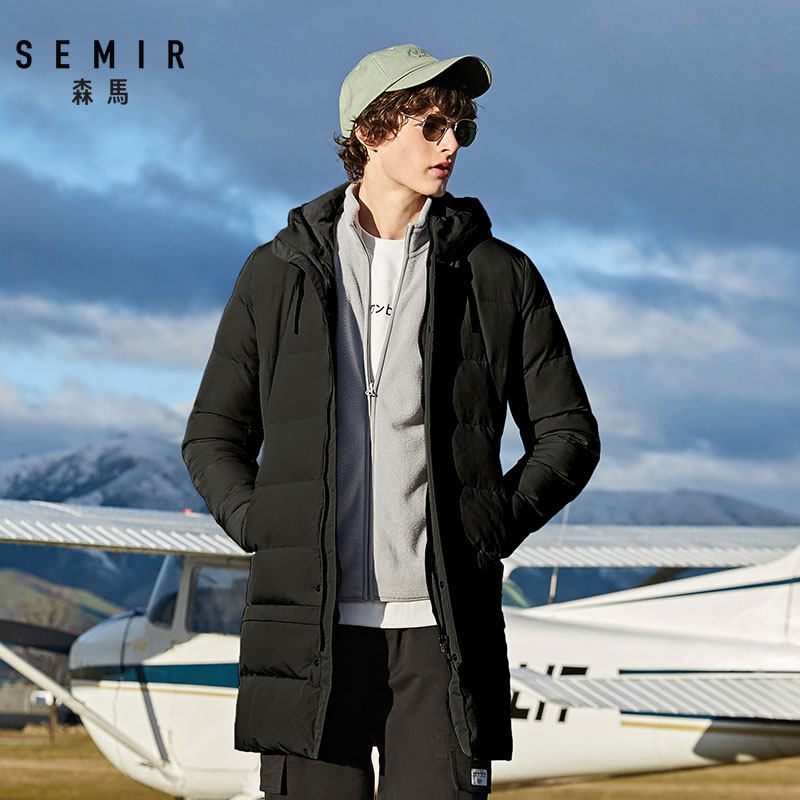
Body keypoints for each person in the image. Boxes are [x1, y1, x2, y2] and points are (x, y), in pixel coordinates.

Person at [182, 44, 600, 800]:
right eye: (431, 125)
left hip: (443, 635)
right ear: (370, 132)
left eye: (461, 128)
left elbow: (568, 434)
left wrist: (487, 526)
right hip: (308, 635)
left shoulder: (499, 275)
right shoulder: (275, 272)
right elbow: (213, 436)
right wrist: (266, 525)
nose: (451, 144)